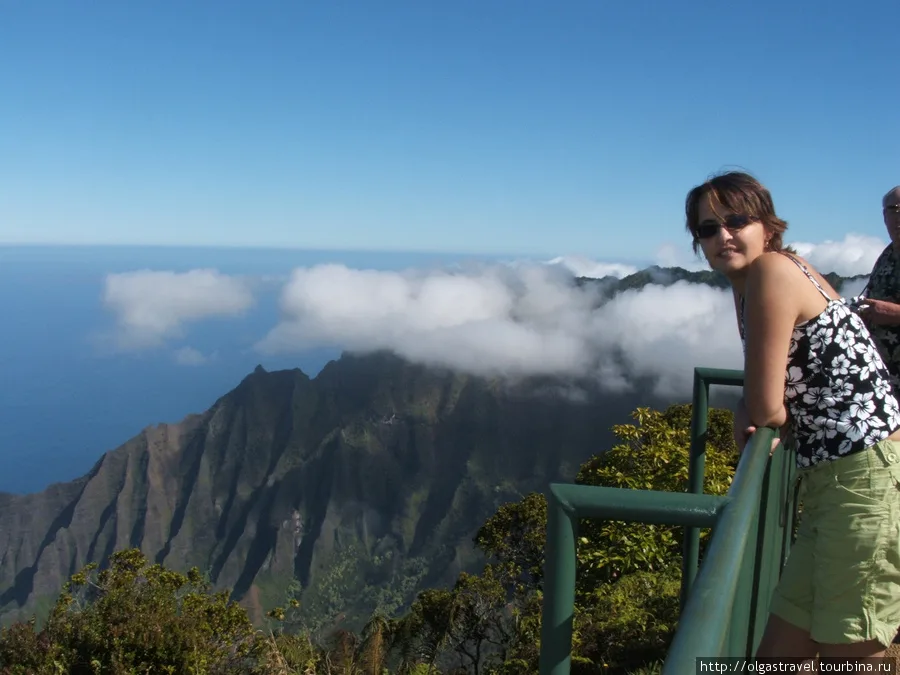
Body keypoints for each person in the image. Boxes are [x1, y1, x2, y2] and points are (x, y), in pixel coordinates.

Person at [684, 171, 900, 660]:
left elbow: (767, 404)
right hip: (836, 483)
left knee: (851, 656)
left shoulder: (771, 273)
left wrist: (753, 405)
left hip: (867, 480)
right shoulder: (755, 282)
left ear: (767, 224)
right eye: (708, 229)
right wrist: (752, 402)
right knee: (779, 656)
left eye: (736, 220)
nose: (724, 236)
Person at [856, 186, 900, 388]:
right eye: (893, 209)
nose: (898, 216)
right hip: (884, 382)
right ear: (884, 216)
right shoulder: (887, 254)